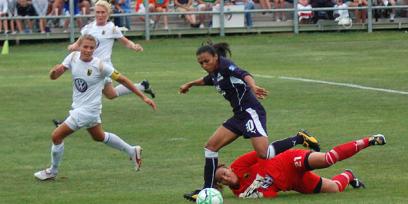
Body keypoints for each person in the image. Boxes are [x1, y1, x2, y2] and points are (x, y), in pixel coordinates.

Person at [180, 42, 320, 202]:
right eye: (201, 63)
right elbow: (206, 80)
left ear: (215, 57)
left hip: (251, 112)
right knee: (210, 147)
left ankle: (300, 138)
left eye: (207, 61)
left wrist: (252, 86)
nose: (204, 65)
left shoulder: (226, 66)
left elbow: (244, 74)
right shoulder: (215, 72)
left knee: (264, 153)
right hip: (238, 116)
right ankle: (206, 189)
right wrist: (190, 84)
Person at [34, 34, 157, 181]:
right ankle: (132, 150)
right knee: (99, 136)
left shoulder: (100, 66)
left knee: (56, 136)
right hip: (81, 108)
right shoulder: (72, 57)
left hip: (87, 111)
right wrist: (54, 72)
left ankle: (52, 172)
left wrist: (143, 97)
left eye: (91, 48)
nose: (88, 50)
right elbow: (55, 75)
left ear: (95, 49)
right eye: (85, 47)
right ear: (80, 46)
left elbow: (123, 80)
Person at [53, 0, 155, 127]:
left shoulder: (112, 28)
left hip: (103, 68)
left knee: (85, 94)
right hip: (89, 66)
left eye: (103, 12)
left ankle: (65, 123)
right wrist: (72, 47)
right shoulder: (88, 28)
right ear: (94, 13)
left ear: (108, 14)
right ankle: (142, 86)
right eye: (97, 12)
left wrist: (134, 46)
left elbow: (125, 41)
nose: (100, 15)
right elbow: (79, 43)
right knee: (110, 94)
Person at [215, 134, 386, 198]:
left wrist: (295, 140)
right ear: (222, 185)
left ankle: (369, 140)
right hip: (294, 183)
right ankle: (349, 175)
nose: (224, 177)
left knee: (327, 159)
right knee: (334, 188)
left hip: (290, 160)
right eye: (221, 179)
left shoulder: (239, 165)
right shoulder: (240, 194)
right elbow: (270, 194)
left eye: (223, 172)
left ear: (228, 168)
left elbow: (266, 151)